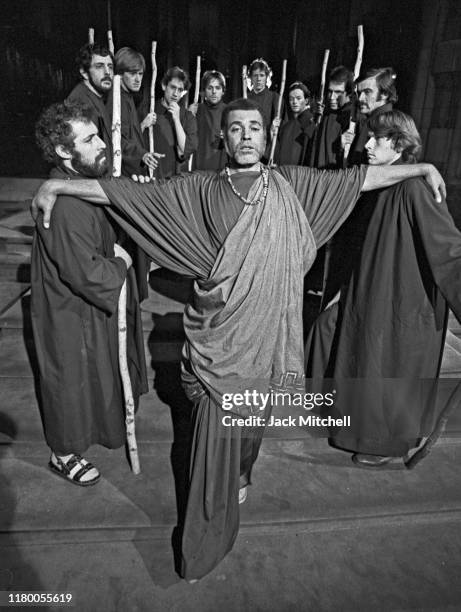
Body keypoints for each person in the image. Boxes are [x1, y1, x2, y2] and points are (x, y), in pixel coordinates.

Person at [31, 99, 445, 580]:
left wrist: (424, 164)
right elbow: (122, 193)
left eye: (254, 128)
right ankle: (202, 547)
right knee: (216, 444)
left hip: (269, 342)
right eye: (235, 129)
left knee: (252, 428)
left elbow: (361, 179)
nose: (246, 136)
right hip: (216, 346)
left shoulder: (296, 184)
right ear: (223, 139)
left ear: (266, 135)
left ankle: (244, 470)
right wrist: (57, 181)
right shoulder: (199, 188)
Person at [305, 110, 461, 466]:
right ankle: (339, 419)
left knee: (384, 368)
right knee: (327, 334)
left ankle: (383, 444)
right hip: (369, 290)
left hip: (401, 300)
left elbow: (449, 250)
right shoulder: (386, 183)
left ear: (399, 144)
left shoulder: (415, 189)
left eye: (377, 139)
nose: (368, 145)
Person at [31, 101, 147, 486]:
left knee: (86, 377)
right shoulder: (64, 207)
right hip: (69, 313)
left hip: (82, 311)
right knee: (69, 380)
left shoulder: (74, 185)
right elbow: (88, 275)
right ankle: (62, 453)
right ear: (65, 151)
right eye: (91, 138)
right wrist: (122, 263)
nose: (102, 143)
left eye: (99, 134)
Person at [108, 46, 163, 177]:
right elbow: (116, 140)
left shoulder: (128, 96)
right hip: (122, 174)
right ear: (120, 74)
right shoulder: (116, 100)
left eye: (140, 74)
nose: (138, 79)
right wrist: (142, 154)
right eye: (132, 74)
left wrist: (142, 125)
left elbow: (128, 133)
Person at [67, 43, 114, 173]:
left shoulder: (95, 96)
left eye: (110, 66)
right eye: (99, 66)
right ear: (84, 72)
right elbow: (85, 157)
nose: (107, 72)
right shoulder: (81, 101)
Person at [150, 66, 198, 178]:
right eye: (173, 87)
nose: (176, 94)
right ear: (163, 86)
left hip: (177, 180)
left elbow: (184, 150)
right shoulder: (149, 110)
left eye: (180, 90)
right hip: (152, 177)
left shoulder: (188, 117)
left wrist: (176, 119)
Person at [347, 66, 397, 167]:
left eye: (367, 92)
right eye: (359, 93)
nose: (360, 98)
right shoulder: (372, 120)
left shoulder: (384, 124)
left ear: (385, 94)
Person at [309, 66, 355, 169]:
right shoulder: (327, 115)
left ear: (348, 93)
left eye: (338, 92)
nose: (332, 97)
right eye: (330, 91)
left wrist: (343, 146)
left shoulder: (353, 118)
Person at [188, 70, 227, 170]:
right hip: (200, 163)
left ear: (223, 91)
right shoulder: (197, 110)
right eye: (210, 88)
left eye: (218, 88)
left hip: (221, 163)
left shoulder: (229, 111)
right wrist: (189, 115)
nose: (214, 92)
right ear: (204, 91)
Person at [271, 81, 315, 165]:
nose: (294, 102)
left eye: (298, 98)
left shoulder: (311, 123)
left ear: (306, 100)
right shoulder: (286, 126)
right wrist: (272, 133)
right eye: (291, 99)